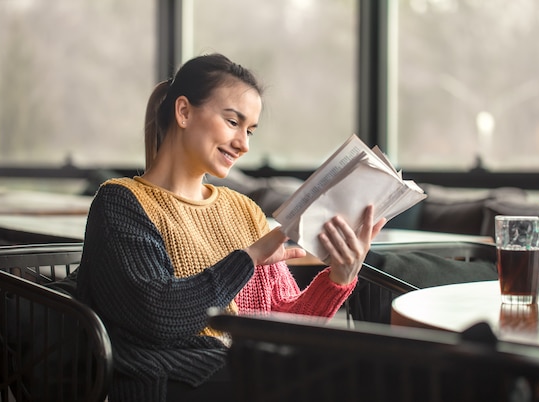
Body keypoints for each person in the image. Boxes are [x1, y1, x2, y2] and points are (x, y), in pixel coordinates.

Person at [75, 53, 386, 402]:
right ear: (184, 112)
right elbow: (158, 317)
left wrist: (338, 279)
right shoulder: (121, 203)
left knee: (374, 367)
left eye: (250, 130)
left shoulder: (243, 210)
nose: (244, 144)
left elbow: (282, 323)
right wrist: (248, 258)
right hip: (170, 379)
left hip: (240, 372)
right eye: (233, 122)